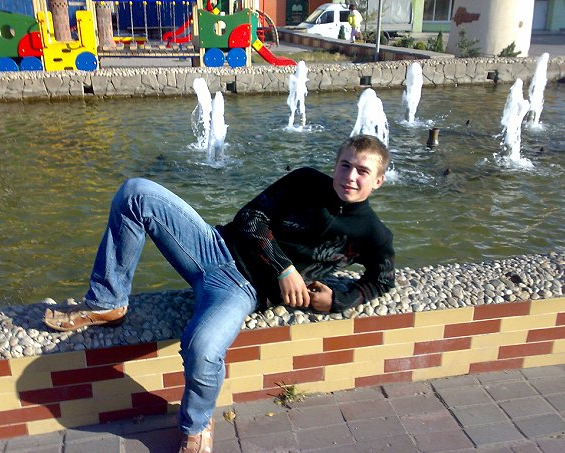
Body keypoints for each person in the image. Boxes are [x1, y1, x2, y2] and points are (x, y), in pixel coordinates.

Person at [43, 134, 395, 453]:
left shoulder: (372, 234)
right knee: (136, 193)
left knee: (202, 347)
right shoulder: (305, 180)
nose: (350, 176)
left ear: (378, 180)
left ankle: (196, 425)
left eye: (362, 171)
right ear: (335, 165)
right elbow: (250, 218)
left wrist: (337, 301)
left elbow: (382, 280)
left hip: (241, 290)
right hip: (211, 246)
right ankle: (109, 302)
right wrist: (284, 268)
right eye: (345, 165)